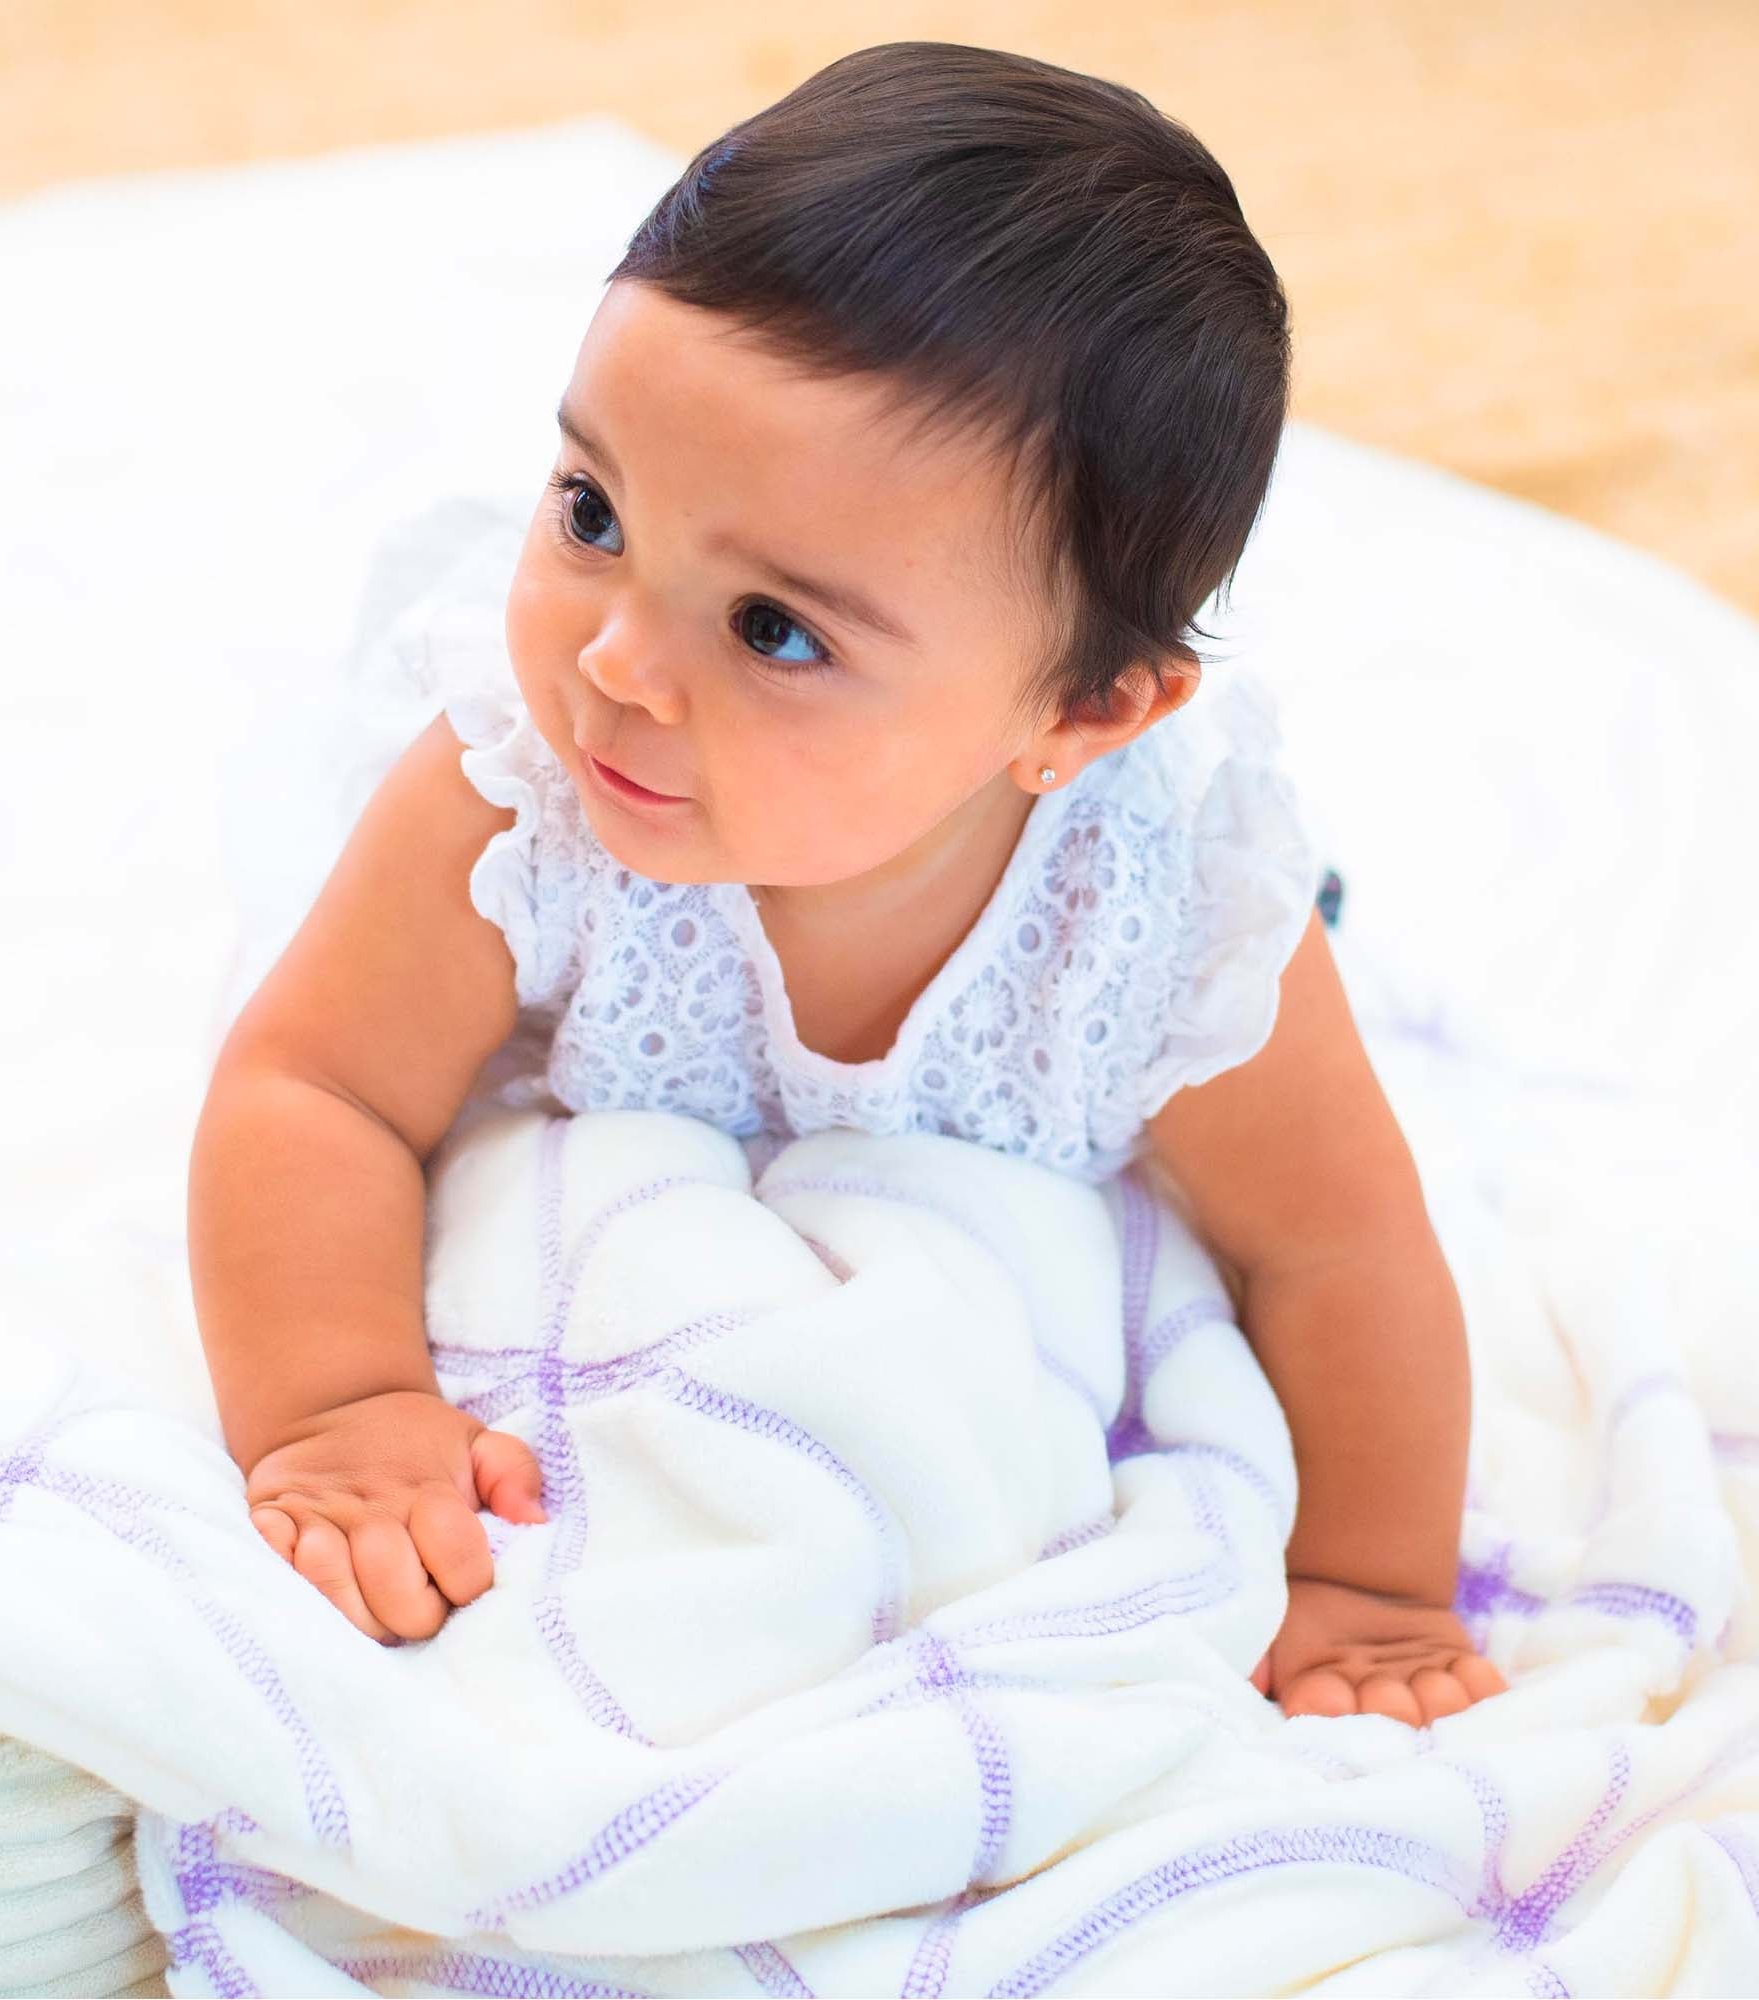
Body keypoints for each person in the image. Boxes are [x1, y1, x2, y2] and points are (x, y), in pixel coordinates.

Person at [187, 41, 1507, 1726]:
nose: (616, 663)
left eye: (775, 630)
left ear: (1077, 714)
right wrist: (339, 1409)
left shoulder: (1157, 926)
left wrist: (1374, 1589)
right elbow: (316, 1085)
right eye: (594, 510)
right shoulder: (520, 790)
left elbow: (1342, 1256)